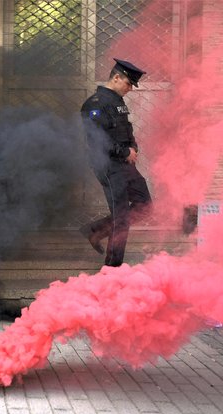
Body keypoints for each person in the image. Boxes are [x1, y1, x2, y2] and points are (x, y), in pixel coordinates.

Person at [79, 58, 153, 267]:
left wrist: (133, 148)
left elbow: (126, 130)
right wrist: (124, 152)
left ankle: (97, 230)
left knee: (145, 205)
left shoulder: (117, 101)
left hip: (125, 164)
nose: (130, 89)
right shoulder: (94, 104)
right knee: (121, 218)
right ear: (117, 77)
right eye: (128, 84)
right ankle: (112, 268)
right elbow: (97, 141)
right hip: (109, 165)